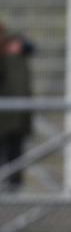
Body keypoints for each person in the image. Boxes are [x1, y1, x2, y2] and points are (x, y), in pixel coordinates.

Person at [0, 31, 33, 192]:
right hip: (4, 119)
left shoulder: (22, 60)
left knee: (17, 153)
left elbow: (33, 48)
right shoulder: (4, 61)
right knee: (4, 152)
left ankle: (15, 185)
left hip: (19, 119)